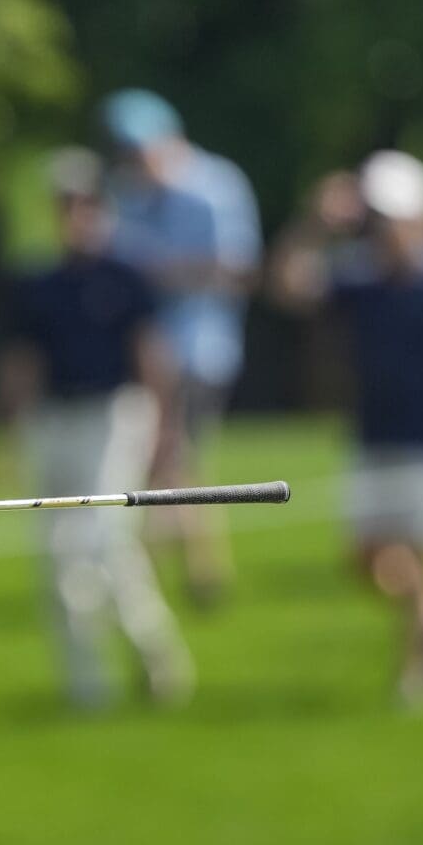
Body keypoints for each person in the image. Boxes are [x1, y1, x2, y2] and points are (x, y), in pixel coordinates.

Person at [271, 152, 423, 706]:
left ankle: (416, 676)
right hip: (373, 437)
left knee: (420, 554)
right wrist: (315, 221)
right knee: (367, 560)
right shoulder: (358, 279)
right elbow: (288, 285)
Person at [0, 150, 192, 710]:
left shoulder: (125, 275)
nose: (76, 214)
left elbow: (150, 357)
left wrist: (168, 435)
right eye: (67, 205)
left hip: (114, 412)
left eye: (86, 203)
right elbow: (23, 362)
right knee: (59, 553)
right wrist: (11, 430)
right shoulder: (40, 282)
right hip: (55, 419)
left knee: (105, 542)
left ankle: (154, 654)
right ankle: (88, 684)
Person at [101, 88, 261, 606]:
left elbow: (236, 269)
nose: (133, 159)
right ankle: (197, 568)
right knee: (170, 457)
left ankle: (188, 567)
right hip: (146, 350)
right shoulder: (127, 192)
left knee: (172, 453)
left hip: (198, 347)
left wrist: (158, 272)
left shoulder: (214, 187)